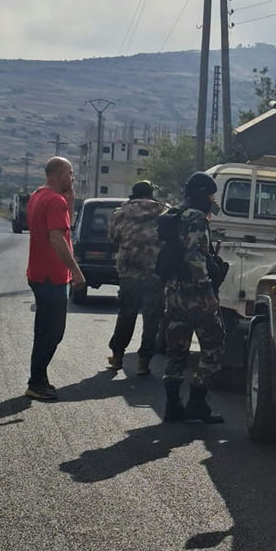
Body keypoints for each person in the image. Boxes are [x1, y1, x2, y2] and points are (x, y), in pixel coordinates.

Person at [160, 171, 228, 424]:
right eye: (211, 195)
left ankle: (172, 407)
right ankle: (198, 404)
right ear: (202, 195)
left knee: (177, 349)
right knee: (215, 345)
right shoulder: (197, 218)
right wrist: (207, 291)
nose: (213, 200)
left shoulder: (173, 215)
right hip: (195, 294)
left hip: (173, 292)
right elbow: (194, 257)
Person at [24, 157, 86, 401]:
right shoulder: (54, 200)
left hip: (38, 273)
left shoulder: (38, 195)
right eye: (70, 173)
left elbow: (63, 227)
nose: (72, 178)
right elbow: (57, 239)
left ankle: (39, 378)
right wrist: (76, 271)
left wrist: (69, 202)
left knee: (44, 329)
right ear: (59, 174)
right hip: (52, 276)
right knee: (52, 332)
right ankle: (36, 381)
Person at [106, 180, 168, 375]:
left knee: (126, 314)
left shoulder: (121, 212)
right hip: (156, 272)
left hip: (129, 272)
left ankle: (117, 357)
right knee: (152, 319)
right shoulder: (165, 211)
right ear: (151, 194)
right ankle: (144, 362)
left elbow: (113, 238)